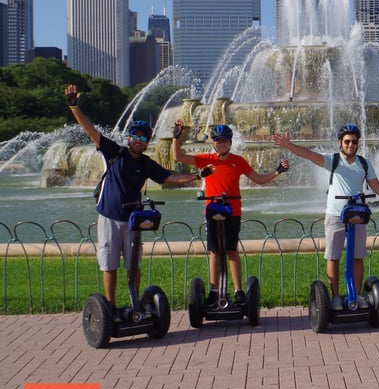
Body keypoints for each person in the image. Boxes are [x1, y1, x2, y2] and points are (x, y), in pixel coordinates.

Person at [64, 84, 203, 312]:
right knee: (109, 263)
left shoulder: (146, 163)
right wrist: (74, 107)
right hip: (109, 216)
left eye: (143, 137)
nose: (139, 140)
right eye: (135, 136)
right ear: (129, 138)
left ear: (148, 141)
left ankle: (134, 303)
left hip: (132, 219)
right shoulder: (114, 152)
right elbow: (90, 131)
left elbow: (170, 177)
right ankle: (109, 306)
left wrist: (197, 175)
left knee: (133, 265)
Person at [272, 124, 379, 310]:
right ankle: (335, 296)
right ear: (341, 142)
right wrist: (289, 145)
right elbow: (308, 154)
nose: (350, 145)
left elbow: (377, 187)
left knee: (357, 257)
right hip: (335, 215)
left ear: (357, 143)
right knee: (333, 257)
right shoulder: (332, 160)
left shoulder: (364, 163)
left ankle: (355, 295)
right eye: (347, 141)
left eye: (354, 142)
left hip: (357, 215)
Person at [172, 120, 289, 305]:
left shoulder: (238, 161)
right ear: (213, 143)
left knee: (231, 250)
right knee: (214, 252)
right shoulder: (206, 160)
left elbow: (258, 179)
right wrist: (176, 137)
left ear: (230, 142)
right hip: (212, 211)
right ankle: (213, 290)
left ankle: (238, 290)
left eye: (225, 141)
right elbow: (178, 156)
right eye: (218, 141)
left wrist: (277, 171)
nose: (221, 144)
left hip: (232, 211)